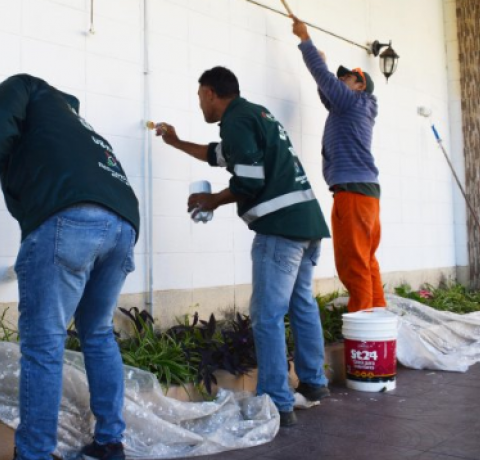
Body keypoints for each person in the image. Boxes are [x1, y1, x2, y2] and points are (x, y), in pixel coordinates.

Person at [0, 74, 139, 460]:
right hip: (123, 224)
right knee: (99, 332)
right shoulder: (75, 125)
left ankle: (34, 453)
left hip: (68, 218)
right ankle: (109, 442)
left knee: (44, 344)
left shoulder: (21, 88)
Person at [154, 67, 331, 427]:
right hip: (307, 225)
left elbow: (249, 181)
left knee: (266, 315)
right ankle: (313, 383)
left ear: (208, 92)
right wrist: (175, 142)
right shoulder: (255, 115)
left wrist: (211, 200)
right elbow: (219, 155)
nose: (200, 104)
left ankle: (276, 401)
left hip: (279, 229)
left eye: (199, 97)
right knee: (301, 305)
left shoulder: (237, 120)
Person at [292, 18, 387, 314]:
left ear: (360, 85)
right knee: (366, 260)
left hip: (354, 195)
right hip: (363, 195)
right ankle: (377, 317)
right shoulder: (351, 106)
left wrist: (306, 41)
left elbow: (324, 80)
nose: (342, 78)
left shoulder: (354, 101)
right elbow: (326, 91)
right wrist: (320, 61)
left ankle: (362, 328)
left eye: (348, 77)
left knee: (352, 263)